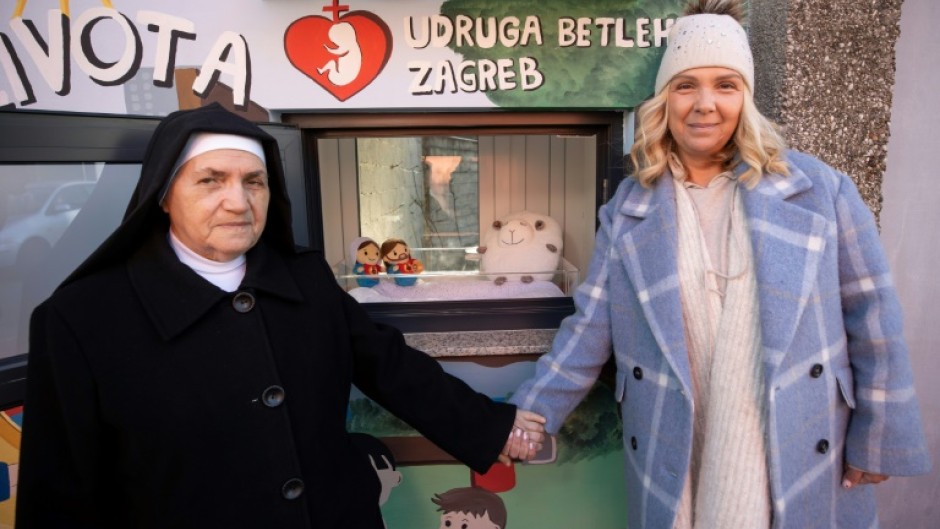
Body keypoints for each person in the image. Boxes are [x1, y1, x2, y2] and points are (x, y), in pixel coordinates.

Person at [16, 103, 545, 529]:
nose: (238, 202)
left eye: (254, 181)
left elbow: (388, 365)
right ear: (163, 195)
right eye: (210, 180)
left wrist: (491, 426)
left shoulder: (303, 279)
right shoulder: (81, 320)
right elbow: (59, 492)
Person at [509, 1, 931, 528]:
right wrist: (531, 413)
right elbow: (590, 327)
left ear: (745, 98)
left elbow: (874, 319)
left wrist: (881, 436)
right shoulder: (630, 209)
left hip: (798, 439)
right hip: (677, 441)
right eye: (686, 85)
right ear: (664, 99)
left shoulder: (819, 191)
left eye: (725, 85)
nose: (705, 104)